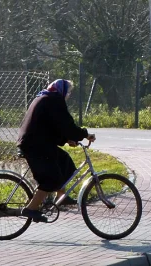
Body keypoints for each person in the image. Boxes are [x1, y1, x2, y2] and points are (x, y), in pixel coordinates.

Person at [17, 79, 96, 222]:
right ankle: (31, 209)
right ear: (62, 90)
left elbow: (51, 126)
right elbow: (67, 126)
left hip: (36, 142)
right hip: (35, 145)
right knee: (51, 178)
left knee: (64, 160)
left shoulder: (46, 97)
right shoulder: (54, 100)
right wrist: (85, 134)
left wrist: (66, 140)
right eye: (69, 91)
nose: (69, 95)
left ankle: (61, 197)